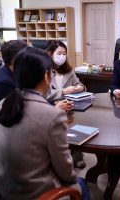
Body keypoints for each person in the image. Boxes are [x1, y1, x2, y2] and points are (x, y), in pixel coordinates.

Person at [0, 47, 90, 200]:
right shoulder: (52, 115)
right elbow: (65, 170)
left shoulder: (4, 103)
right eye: (51, 73)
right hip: (35, 194)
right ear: (46, 76)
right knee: (81, 183)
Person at [47, 40, 87, 168]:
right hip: (51, 106)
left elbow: (80, 85)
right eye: (59, 53)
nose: (62, 56)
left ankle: (77, 151)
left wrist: (80, 88)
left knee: (79, 121)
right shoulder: (45, 71)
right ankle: (63, 154)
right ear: (50, 54)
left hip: (70, 106)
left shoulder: (69, 70)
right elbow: (44, 93)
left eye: (64, 53)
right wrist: (63, 91)